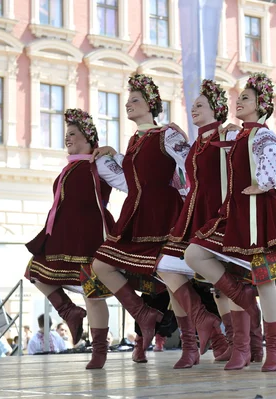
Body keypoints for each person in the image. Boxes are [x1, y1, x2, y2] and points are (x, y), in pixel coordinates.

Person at [185, 72, 276, 372]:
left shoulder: (263, 134)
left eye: (247, 98)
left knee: (266, 283)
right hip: (237, 215)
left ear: (261, 104)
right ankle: (241, 336)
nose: (240, 101)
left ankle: (273, 348)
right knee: (195, 253)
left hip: (261, 216)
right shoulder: (237, 135)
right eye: (240, 98)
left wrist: (261, 185)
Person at [89, 73, 191, 368]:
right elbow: (133, 177)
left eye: (135, 100)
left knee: (172, 277)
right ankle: (144, 315)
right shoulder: (135, 140)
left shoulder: (167, 134)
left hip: (162, 211)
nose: (128, 105)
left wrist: (184, 139)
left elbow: (191, 165)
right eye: (127, 101)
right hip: (136, 212)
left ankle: (193, 342)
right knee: (102, 264)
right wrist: (113, 156)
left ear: (151, 104)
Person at [24, 108, 127, 366]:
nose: (67, 138)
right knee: (36, 272)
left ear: (88, 137)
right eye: (66, 134)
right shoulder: (69, 167)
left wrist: (116, 154)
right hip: (63, 233)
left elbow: (128, 182)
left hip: (90, 233)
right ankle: (69, 311)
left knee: (91, 293)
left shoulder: (99, 161)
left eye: (72, 133)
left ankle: (99, 352)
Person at [156, 79, 234, 368]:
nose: (193, 110)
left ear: (216, 109)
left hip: (217, 213)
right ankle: (195, 335)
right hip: (192, 213)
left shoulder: (226, 136)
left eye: (200, 105)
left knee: (225, 282)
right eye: (193, 106)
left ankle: (238, 341)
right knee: (166, 266)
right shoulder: (197, 143)